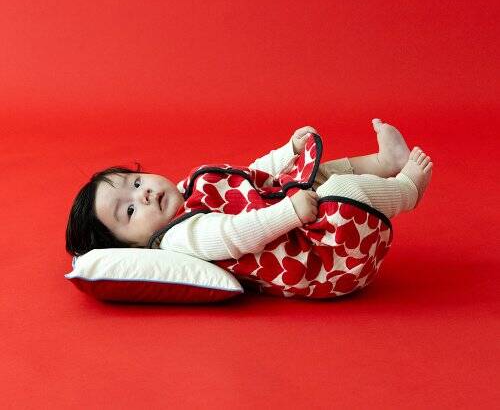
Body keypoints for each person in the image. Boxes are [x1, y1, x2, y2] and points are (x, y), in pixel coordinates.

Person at [66, 119, 432, 298]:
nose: (143, 195)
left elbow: (250, 177)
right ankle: (407, 190)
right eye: (129, 212)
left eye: (135, 183)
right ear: (133, 246)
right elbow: (235, 234)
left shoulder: (190, 189)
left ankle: (383, 162)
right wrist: (289, 213)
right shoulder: (180, 236)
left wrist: (287, 151)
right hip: (325, 262)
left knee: (318, 175)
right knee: (338, 191)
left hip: (307, 227)